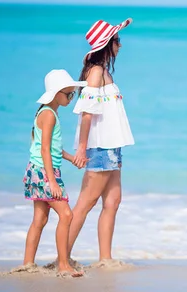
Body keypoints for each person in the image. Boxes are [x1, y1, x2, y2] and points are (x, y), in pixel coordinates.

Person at [67, 18, 135, 263]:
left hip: (112, 146)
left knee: (113, 201)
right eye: (117, 40)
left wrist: (122, 25)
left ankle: (105, 259)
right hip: (100, 147)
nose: (120, 45)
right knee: (86, 202)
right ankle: (63, 258)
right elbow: (87, 113)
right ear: (107, 44)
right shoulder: (95, 72)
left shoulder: (102, 70)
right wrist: (82, 149)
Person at [22, 69, 88, 277]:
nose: (70, 98)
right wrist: (52, 181)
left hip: (38, 170)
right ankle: (63, 265)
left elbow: (50, 147)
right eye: (68, 94)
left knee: (40, 219)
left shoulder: (47, 112)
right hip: (44, 173)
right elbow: (44, 151)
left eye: (72, 94)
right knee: (66, 214)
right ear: (56, 93)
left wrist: (70, 159)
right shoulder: (49, 115)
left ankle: (27, 264)